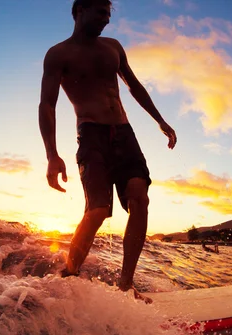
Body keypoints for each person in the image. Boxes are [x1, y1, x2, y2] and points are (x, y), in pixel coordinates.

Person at [38, 0, 177, 303]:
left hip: (125, 134)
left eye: (108, 14)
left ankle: (126, 285)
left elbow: (134, 86)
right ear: (80, 10)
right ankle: (70, 274)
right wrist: (52, 154)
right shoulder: (58, 54)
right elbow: (47, 105)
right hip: (91, 136)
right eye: (101, 13)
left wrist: (161, 121)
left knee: (140, 196)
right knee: (98, 210)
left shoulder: (113, 47)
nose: (107, 20)